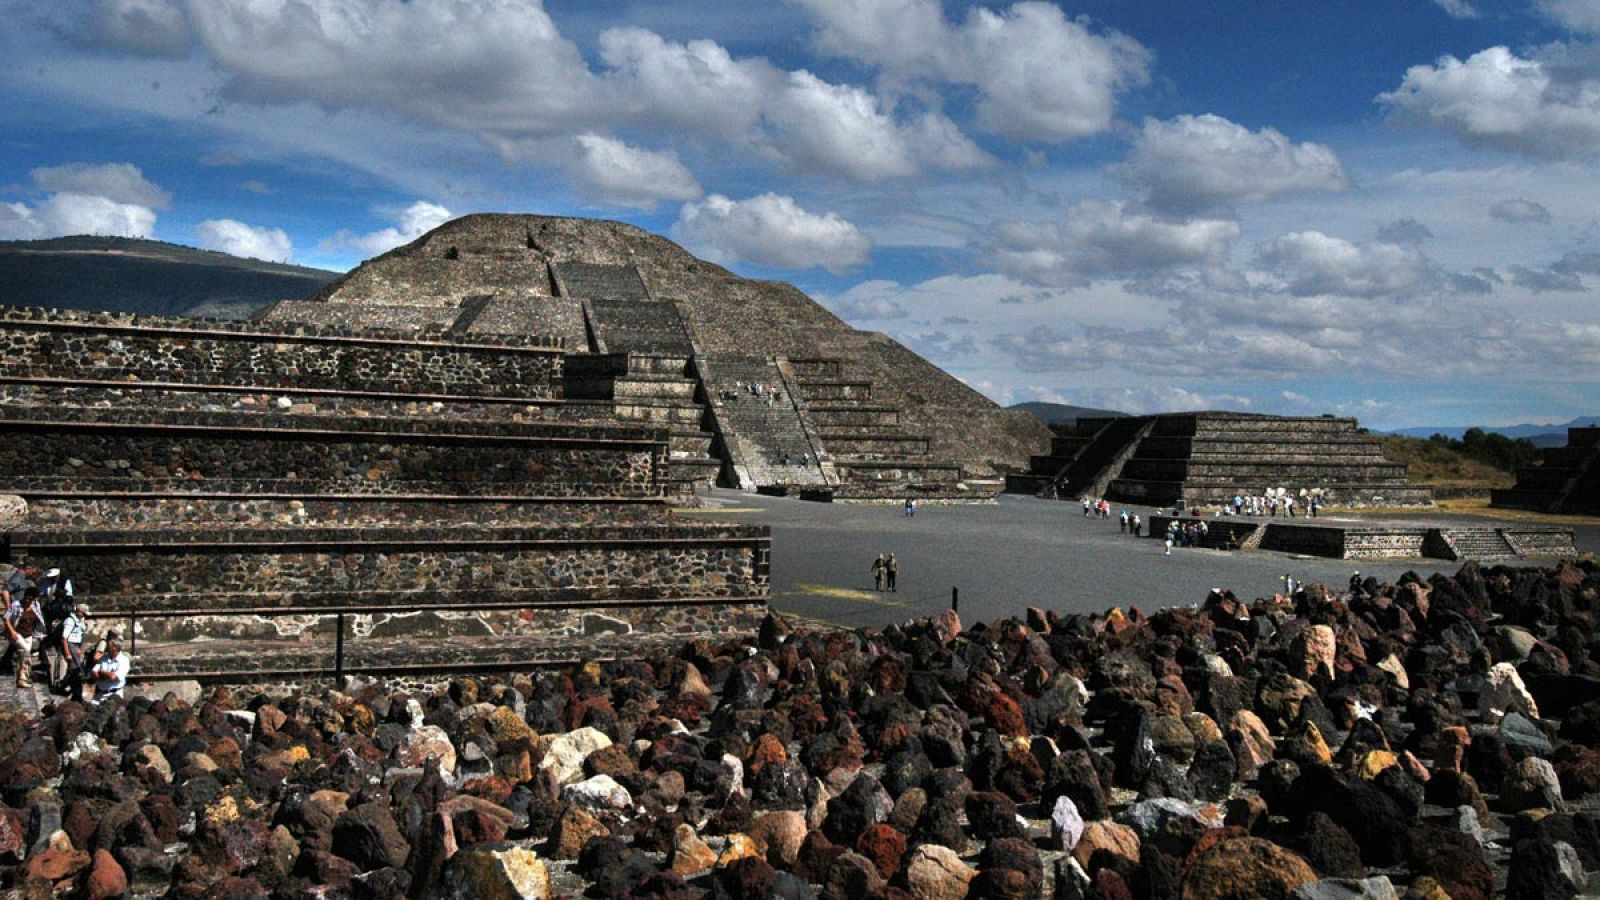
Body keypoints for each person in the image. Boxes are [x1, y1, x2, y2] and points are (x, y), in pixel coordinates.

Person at [3, 588, 43, 687]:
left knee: (23, 655)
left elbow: (39, 620)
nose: (27, 601)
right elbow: (6, 618)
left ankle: (21, 678)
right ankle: (23, 677)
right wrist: (12, 631)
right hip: (17, 633)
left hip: (28, 634)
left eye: (30, 599)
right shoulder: (16, 605)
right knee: (25, 652)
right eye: (26, 598)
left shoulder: (36, 606)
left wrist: (39, 633)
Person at [58, 604, 88, 697]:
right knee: (75, 669)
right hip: (70, 644)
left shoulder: (80, 621)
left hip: (76, 645)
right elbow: (64, 638)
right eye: (83, 613)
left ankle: (65, 686)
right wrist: (67, 653)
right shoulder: (70, 621)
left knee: (74, 669)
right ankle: (65, 686)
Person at [90, 638, 129, 704]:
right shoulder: (104, 657)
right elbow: (93, 672)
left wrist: (101, 672)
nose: (107, 648)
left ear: (116, 648)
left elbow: (113, 677)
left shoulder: (124, 660)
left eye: (109, 647)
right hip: (99, 695)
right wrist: (105, 675)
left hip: (114, 697)